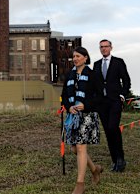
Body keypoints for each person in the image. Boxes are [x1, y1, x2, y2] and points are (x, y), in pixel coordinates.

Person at [61, 47, 104, 194]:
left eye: (78, 56)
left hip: (87, 115)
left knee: (80, 147)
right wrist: (68, 107)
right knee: (74, 149)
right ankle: (95, 169)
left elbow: (100, 97)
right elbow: (64, 96)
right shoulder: (69, 75)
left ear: (85, 58)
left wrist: (86, 105)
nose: (75, 59)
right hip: (73, 116)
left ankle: (80, 184)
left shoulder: (94, 75)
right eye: (74, 56)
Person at [92, 39, 131, 172]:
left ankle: (121, 159)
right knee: (108, 131)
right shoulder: (96, 64)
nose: (103, 49)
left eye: (106, 46)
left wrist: (122, 96)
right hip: (101, 103)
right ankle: (115, 160)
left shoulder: (118, 62)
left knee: (113, 127)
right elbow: (95, 84)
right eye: (101, 47)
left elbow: (126, 80)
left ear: (111, 47)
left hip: (115, 100)